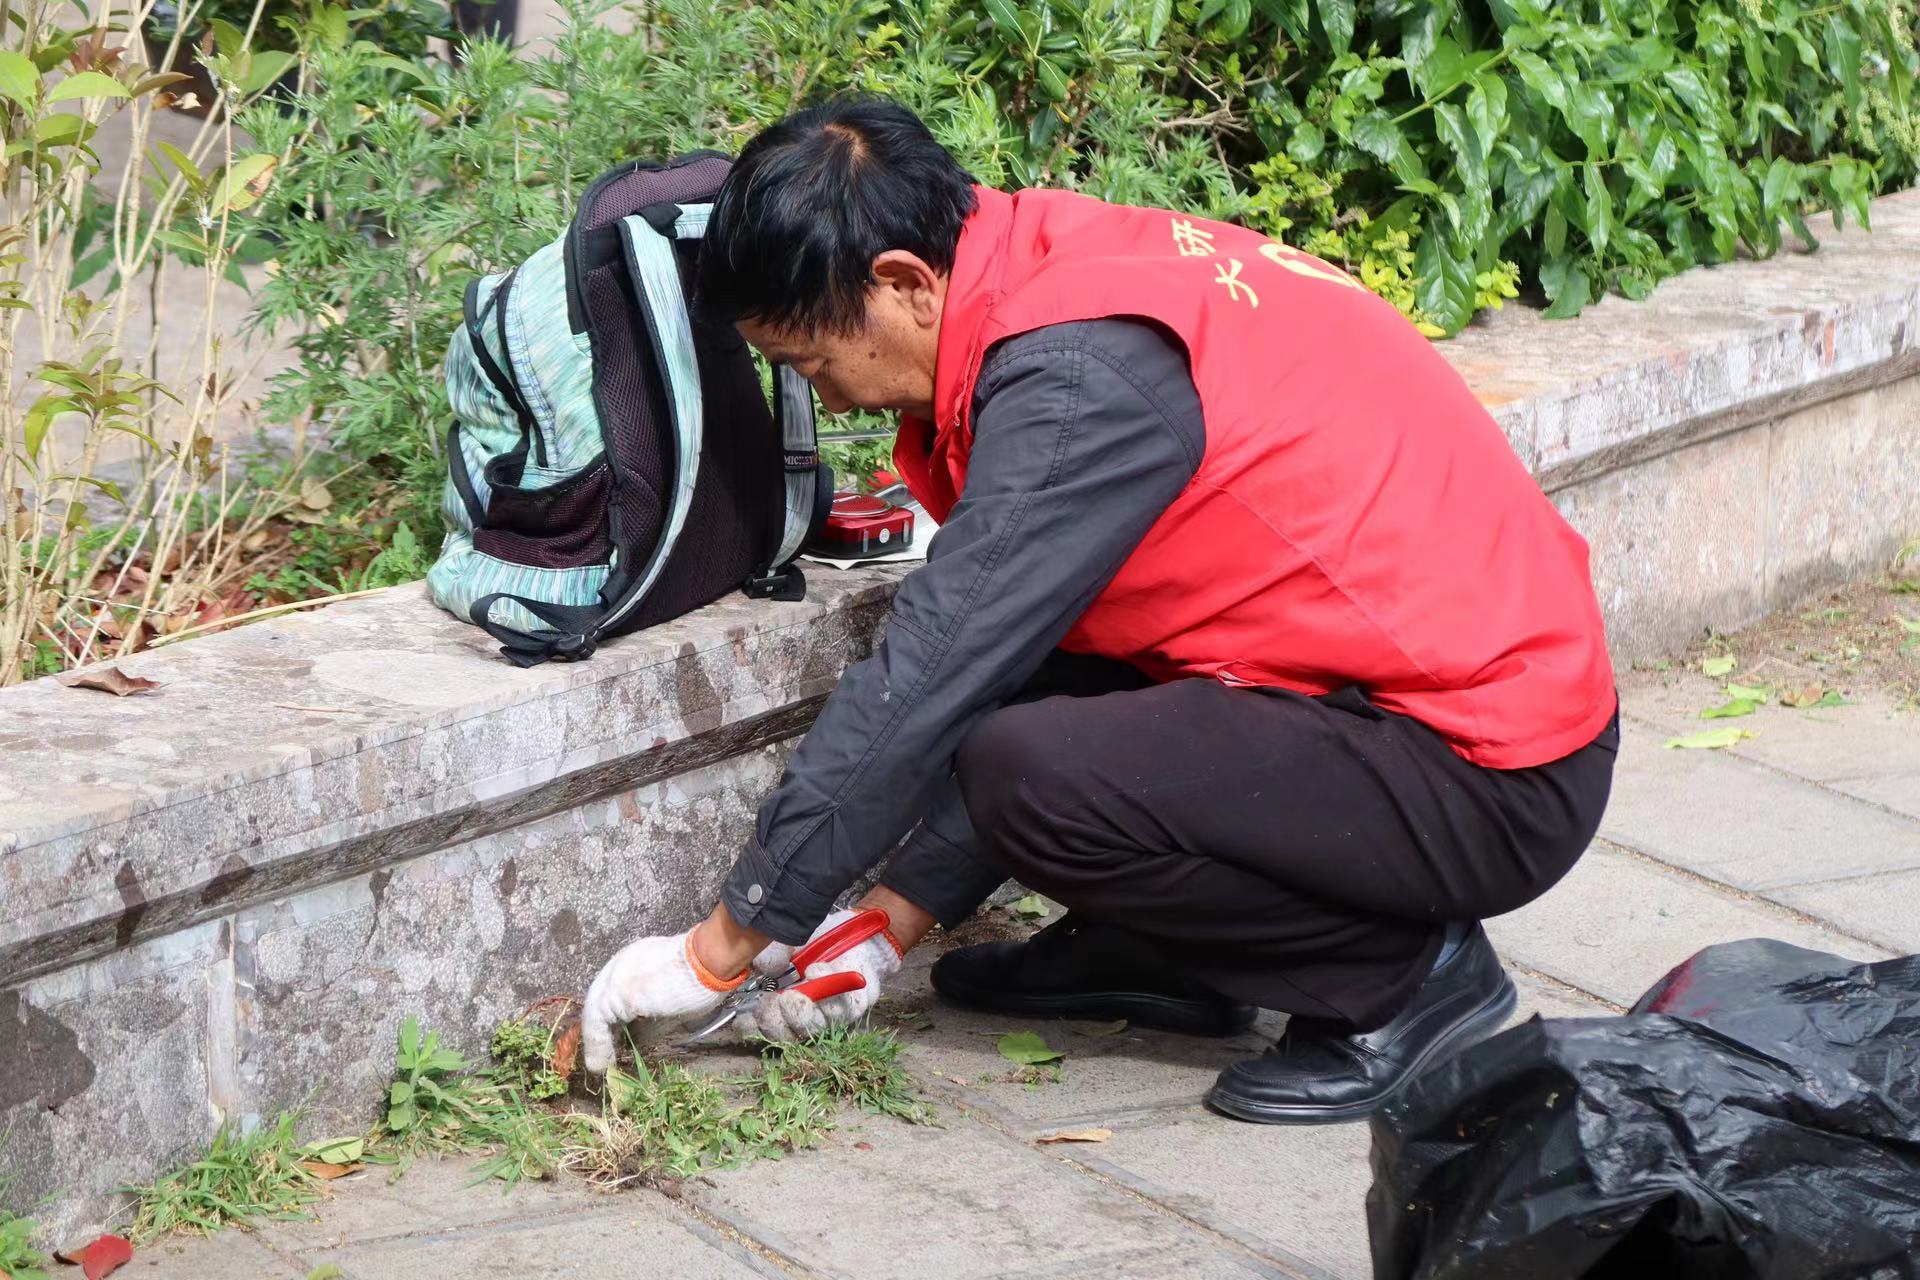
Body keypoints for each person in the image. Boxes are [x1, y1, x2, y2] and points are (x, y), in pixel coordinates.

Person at [578, 97, 1619, 1123]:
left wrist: (720, 947)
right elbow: (1051, 640)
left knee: (1024, 770)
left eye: (812, 362)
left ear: (903, 282)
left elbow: (937, 669)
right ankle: (1173, 952)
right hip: (1419, 706)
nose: (833, 399)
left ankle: (1406, 978)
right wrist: (890, 923)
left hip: (1493, 768)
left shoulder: (1077, 378)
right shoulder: (1037, 265)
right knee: (1040, 725)